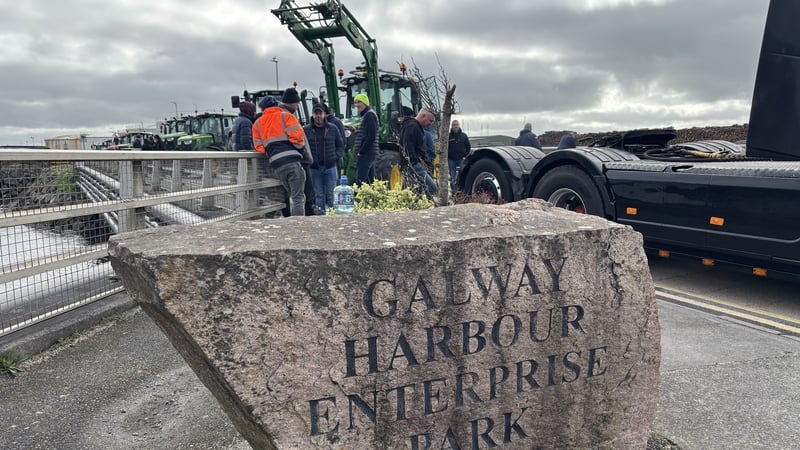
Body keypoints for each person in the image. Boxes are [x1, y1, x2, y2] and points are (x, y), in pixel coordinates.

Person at [252, 87, 310, 216]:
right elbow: (298, 139)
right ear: (276, 105)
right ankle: (300, 226)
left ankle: (292, 221)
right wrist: (299, 149)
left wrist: (272, 153)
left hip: (276, 165)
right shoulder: (286, 116)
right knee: (298, 198)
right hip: (292, 162)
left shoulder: (257, 124)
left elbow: (259, 146)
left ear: (262, 108)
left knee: (291, 196)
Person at [305, 103, 344, 214]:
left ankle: (333, 215)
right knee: (319, 195)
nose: (318, 116)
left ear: (324, 115)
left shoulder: (333, 128)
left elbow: (340, 144)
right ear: (312, 115)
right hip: (315, 168)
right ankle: (320, 217)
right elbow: (303, 146)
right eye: (316, 113)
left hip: (330, 167)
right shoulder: (306, 130)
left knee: (332, 193)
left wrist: (335, 157)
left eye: (320, 113)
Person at [399, 108, 437, 197]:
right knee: (431, 188)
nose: (430, 124)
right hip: (413, 165)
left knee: (416, 190)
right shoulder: (412, 127)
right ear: (423, 116)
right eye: (430, 121)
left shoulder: (414, 126)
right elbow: (407, 146)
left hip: (413, 164)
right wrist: (416, 162)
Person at [353, 92, 378, 185]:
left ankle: (360, 198)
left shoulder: (369, 115)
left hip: (367, 153)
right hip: (370, 152)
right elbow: (366, 133)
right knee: (370, 181)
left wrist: (361, 151)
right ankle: (371, 197)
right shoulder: (367, 115)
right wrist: (357, 131)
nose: (357, 105)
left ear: (365, 103)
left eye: (359, 102)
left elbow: (371, 135)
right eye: (355, 102)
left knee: (361, 181)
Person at [447, 119, 471, 192]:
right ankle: (454, 191)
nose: (455, 126)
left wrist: (464, 155)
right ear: (452, 126)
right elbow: (445, 148)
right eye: (454, 125)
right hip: (451, 160)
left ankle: (462, 190)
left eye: (457, 125)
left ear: (459, 125)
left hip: (461, 159)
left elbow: (468, 147)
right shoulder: (448, 136)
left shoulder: (464, 136)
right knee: (453, 177)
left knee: (463, 175)